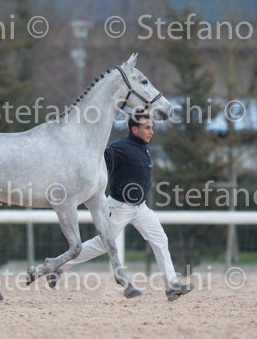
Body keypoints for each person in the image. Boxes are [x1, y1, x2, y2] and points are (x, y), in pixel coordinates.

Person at [51, 112, 193, 301]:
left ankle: (172, 286)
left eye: (152, 127)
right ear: (134, 129)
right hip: (119, 207)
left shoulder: (144, 148)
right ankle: (58, 266)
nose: (151, 131)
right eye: (147, 128)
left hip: (140, 208)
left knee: (160, 240)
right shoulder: (118, 149)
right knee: (101, 245)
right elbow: (96, 163)